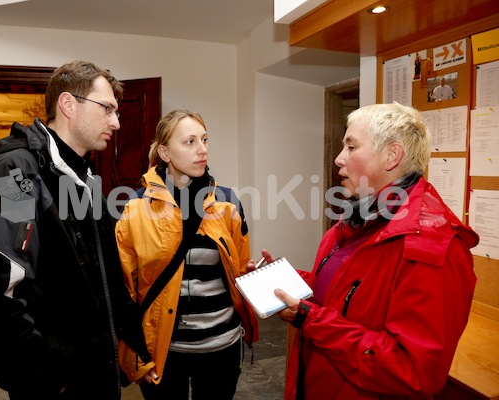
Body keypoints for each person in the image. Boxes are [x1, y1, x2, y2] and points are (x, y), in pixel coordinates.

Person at [0, 61, 156, 400]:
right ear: (67, 104)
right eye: (107, 108)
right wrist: (43, 377)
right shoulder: (15, 176)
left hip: (95, 371)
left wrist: (131, 340)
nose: (116, 122)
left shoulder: (84, 178)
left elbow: (101, 274)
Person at [263, 103, 478, 400]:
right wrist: (282, 280)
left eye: (351, 147)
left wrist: (310, 319)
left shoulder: (432, 247)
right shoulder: (356, 220)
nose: (338, 159)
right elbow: (340, 293)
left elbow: (412, 371)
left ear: (392, 156)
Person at [115, 109, 259, 400]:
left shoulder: (227, 202)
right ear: (165, 152)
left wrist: (255, 273)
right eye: (190, 142)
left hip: (222, 346)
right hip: (165, 350)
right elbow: (124, 292)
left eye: (204, 140)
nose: (202, 149)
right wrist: (137, 356)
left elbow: (240, 269)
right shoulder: (135, 208)